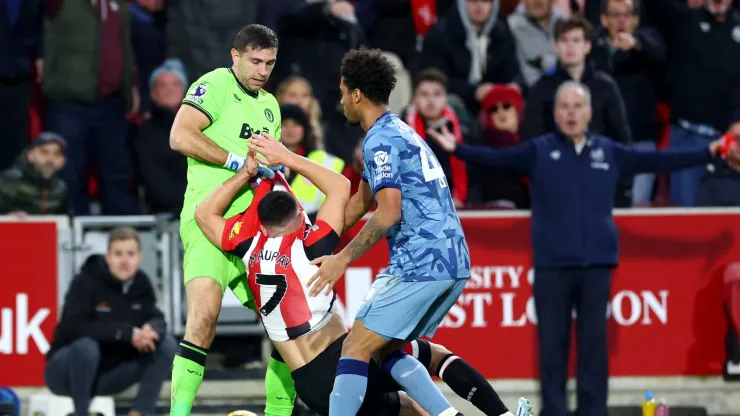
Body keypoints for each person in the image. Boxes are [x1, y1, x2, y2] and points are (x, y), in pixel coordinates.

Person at [425, 81, 740, 416]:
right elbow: (496, 158)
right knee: (552, 349)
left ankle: (594, 412)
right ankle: (556, 412)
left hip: (597, 264)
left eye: (577, 106)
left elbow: (656, 161)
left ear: (589, 112)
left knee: (594, 348)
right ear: (555, 112)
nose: (571, 112)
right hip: (552, 265)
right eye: (564, 106)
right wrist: (456, 148)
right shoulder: (540, 150)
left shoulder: (608, 151)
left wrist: (707, 151)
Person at [195, 135, 530, 416]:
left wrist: (244, 173)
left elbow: (203, 214)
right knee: (425, 353)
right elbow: (340, 185)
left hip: (308, 386)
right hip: (338, 363)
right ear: (299, 214)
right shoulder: (310, 245)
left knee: (406, 407)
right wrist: (287, 158)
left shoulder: (249, 249)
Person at [304, 47, 469, 416]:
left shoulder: (379, 141)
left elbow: (388, 212)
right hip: (452, 260)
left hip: (422, 262)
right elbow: (361, 204)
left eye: (343, 92)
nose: (341, 100)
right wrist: (312, 240)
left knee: (355, 348)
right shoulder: (397, 131)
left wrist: (341, 260)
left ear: (356, 94)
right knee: (385, 348)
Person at [167, 24, 286, 415]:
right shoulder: (215, 83)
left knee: (287, 326)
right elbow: (181, 136)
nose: (263, 70)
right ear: (235, 56)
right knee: (203, 318)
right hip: (208, 222)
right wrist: (237, 162)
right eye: (255, 61)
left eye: (269, 62)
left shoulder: (270, 106)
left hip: (254, 230)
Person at [45, 228, 177, 416]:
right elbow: (73, 327)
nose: (124, 261)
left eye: (130, 254)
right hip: (65, 373)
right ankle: (81, 413)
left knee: (167, 345)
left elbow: (155, 315)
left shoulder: (141, 283)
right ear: (108, 257)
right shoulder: (85, 281)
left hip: (110, 374)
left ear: (139, 258)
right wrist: (126, 334)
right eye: (118, 254)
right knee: (86, 347)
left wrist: (151, 329)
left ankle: (140, 412)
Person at [0, 132, 68, 216]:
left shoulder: (60, 189)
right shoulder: (7, 182)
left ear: (63, 161)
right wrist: (8, 218)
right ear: (30, 155)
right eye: (44, 152)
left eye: (56, 154)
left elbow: (66, 223)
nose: (50, 159)